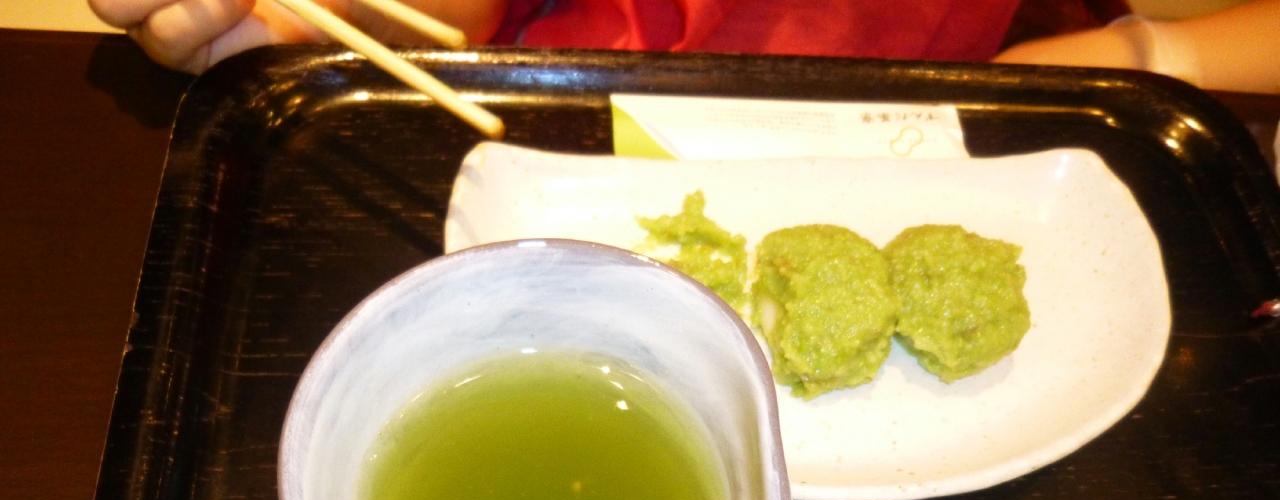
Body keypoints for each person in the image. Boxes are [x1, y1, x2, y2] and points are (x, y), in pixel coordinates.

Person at [90, 0, 1278, 93]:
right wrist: (344, 19)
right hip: (567, 112)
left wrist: (1142, 59)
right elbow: (451, 16)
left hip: (919, 119)